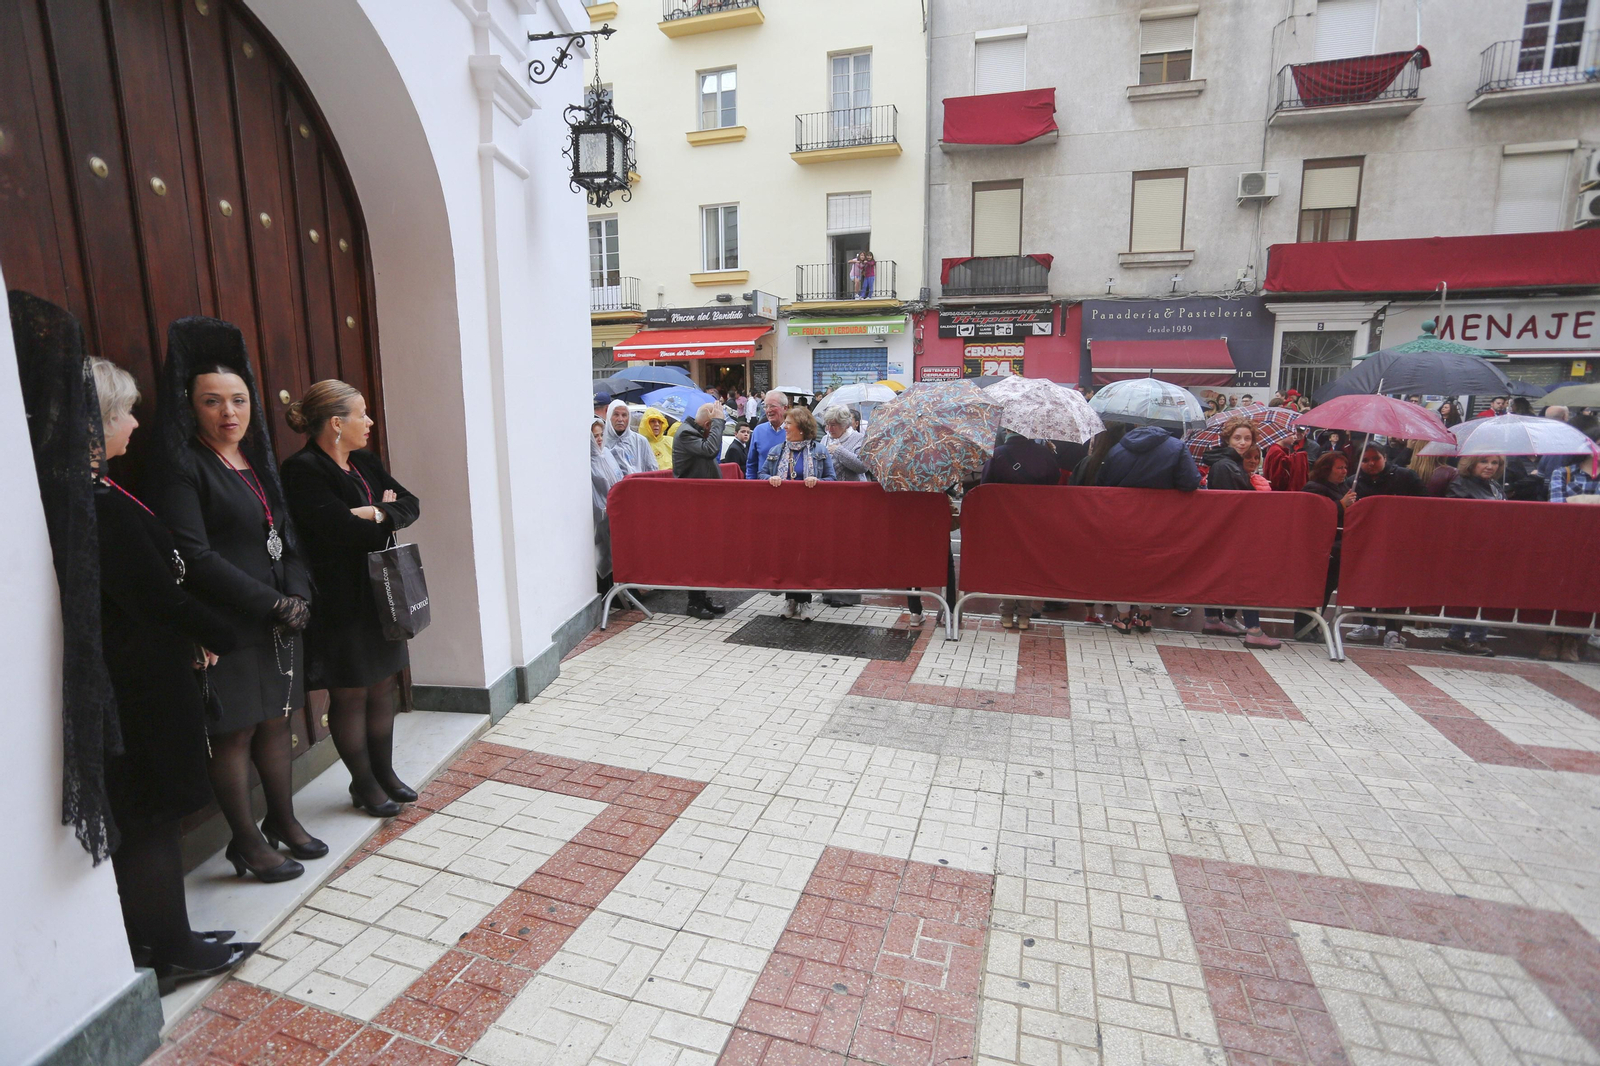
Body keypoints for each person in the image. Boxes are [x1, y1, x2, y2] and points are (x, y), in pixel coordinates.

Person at [81, 347, 260, 989]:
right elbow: (155, 595)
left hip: (144, 671)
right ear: (95, 422)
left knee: (150, 817)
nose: (135, 424)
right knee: (152, 817)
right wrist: (224, 631)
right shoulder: (95, 505)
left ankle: (162, 937)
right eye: (124, 413)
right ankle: (170, 947)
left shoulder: (96, 492)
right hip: (141, 685)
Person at [153, 317, 316, 883]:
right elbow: (193, 555)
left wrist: (296, 592)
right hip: (228, 622)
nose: (229, 413)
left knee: (275, 720)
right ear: (190, 407)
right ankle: (245, 844)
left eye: (239, 400)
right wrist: (270, 604)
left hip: (276, 619)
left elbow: (285, 535)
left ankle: (284, 823)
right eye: (212, 401)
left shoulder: (256, 462)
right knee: (235, 733)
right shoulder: (184, 467)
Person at [282, 380, 421, 819]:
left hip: (382, 595)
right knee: (350, 695)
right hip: (340, 601)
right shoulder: (303, 469)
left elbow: (411, 505)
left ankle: (384, 774)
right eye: (362, 414)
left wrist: (378, 512)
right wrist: (379, 517)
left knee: (382, 686)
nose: (370, 422)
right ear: (337, 423)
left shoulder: (363, 461)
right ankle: (362, 783)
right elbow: (337, 532)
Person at [1096, 423, 1200, 633]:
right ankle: (1145, 616)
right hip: (1161, 519)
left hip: (1123, 518)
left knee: (1123, 566)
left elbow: (1103, 483)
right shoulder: (1176, 447)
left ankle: (1123, 617)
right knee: (1152, 565)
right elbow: (1190, 482)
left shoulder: (1117, 449)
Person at [1200, 420, 1280, 648]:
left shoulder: (1229, 463)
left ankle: (1212, 619)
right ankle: (1253, 630)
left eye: (1247, 438)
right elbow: (1232, 503)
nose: (1243, 443)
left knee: (1222, 575)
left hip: (1229, 531)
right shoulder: (1226, 466)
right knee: (1248, 579)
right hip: (1235, 531)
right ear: (1227, 439)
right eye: (1238, 438)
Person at [1344, 445, 1422, 649]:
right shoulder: (1352, 481)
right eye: (1365, 460)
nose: (1370, 464)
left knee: (1395, 585)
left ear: (1385, 458)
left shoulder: (1406, 477)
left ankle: (1393, 631)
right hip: (1366, 541)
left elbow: (1426, 503)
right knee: (1365, 580)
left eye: (1375, 459)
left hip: (1399, 541)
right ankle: (1367, 623)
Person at [983, 433, 1060, 629]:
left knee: (1008, 563)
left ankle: (1006, 613)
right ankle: (1025, 615)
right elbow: (1054, 481)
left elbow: (985, 487)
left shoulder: (997, 454)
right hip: (1035, 520)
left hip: (1005, 521)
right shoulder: (1044, 453)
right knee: (1028, 563)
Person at [763, 406, 834, 619]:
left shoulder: (820, 451)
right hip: (783, 515)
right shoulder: (777, 451)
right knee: (787, 556)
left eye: (788, 423)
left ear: (801, 427)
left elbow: (832, 478)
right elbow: (761, 473)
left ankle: (805, 602)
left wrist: (818, 481)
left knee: (806, 558)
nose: (784, 426)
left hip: (811, 516)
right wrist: (770, 479)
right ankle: (790, 599)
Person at [1439, 454, 1506, 656]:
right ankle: (1474, 639)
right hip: (1470, 548)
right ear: (1472, 463)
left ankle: (1459, 636)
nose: (1490, 467)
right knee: (1474, 592)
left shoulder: (1495, 486)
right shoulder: (1461, 484)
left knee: (1484, 593)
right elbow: (1458, 516)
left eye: (1495, 463)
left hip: (1491, 547)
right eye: (1484, 462)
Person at [672, 402, 728, 620]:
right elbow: (710, 450)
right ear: (707, 424)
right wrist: (719, 422)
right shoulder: (685, 434)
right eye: (711, 426)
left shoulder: (692, 431)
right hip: (691, 505)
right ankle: (694, 602)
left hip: (702, 504)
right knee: (696, 553)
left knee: (704, 553)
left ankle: (702, 597)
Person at [1298, 451, 1357, 639]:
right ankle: (1304, 627)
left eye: (1345, 467)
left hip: (1338, 548)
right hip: (1321, 549)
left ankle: (1315, 625)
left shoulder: (1344, 487)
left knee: (1327, 588)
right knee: (1314, 590)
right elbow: (1313, 515)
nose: (1344, 471)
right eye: (1339, 468)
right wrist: (1340, 504)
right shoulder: (1314, 487)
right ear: (1326, 469)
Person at [590, 418, 625, 585]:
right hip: (602, 515)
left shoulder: (607, 454)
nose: (599, 439)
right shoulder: (589, 461)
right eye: (595, 435)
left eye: (601, 435)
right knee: (602, 554)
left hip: (613, 512)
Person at [746, 389, 790, 480]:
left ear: (785, 408)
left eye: (772, 406)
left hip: (788, 487)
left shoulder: (794, 430)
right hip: (763, 487)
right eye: (765, 406)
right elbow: (751, 464)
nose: (768, 410)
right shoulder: (758, 430)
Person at [604, 399, 656, 473]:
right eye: (616, 414)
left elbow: (652, 468)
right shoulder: (601, 442)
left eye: (624, 415)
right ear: (609, 417)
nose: (620, 419)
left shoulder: (640, 441)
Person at [822, 406, 870, 482]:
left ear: (844, 424)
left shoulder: (859, 438)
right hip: (829, 489)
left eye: (833, 425)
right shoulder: (825, 438)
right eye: (828, 424)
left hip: (852, 490)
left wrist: (838, 451)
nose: (829, 429)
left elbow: (863, 467)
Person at [1263, 426, 1311, 492]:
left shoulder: (1277, 449)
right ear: (1283, 434)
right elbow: (1277, 480)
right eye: (1293, 434)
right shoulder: (1277, 451)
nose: (1295, 437)